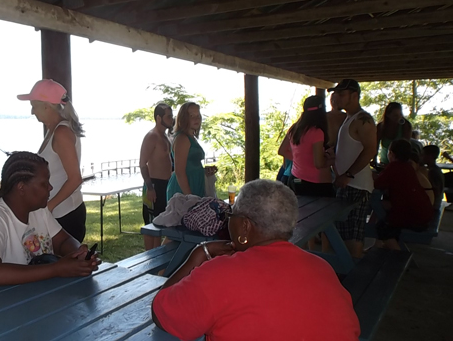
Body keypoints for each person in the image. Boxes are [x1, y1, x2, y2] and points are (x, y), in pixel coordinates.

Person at [151, 179, 360, 341]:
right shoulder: (321, 267)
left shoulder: (222, 273)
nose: (228, 220)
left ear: (245, 226)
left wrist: (197, 256)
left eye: (230, 214)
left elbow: (162, 314)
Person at [0, 152, 99, 289]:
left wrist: (79, 255)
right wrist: (56, 269)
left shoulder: (38, 210)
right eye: (44, 183)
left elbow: (62, 241)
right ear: (21, 187)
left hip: (27, 299)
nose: (50, 187)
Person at [17, 79, 87, 242]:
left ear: (46, 106)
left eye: (34, 106)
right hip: (59, 213)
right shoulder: (55, 130)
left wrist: (48, 207)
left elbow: (75, 178)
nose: (32, 112)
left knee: (62, 266)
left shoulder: (61, 132)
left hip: (65, 215)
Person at [331, 79, 377, 258]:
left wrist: (348, 175)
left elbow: (370, 150)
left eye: (342, 95)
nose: (337, 98)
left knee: (353, 235)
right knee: (343, 233)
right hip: (347, 183)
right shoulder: (349, 118)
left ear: (355, 96)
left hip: (357, 185)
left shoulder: (363, 120)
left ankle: (355, 277)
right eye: (336, 95)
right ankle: (348, 272)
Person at [372, 139, 433, 250]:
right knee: (386, 217)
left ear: (391, 153)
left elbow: (378, 184)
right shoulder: (408, 167)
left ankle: (398, 256)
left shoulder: (394, 167)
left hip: (413, 217)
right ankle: (379, 248)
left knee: (383, 228)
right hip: (424, 213)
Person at [278, 95, 334, 197]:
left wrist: (300, 159)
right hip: (315, 184)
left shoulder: (294, 128)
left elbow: (282, 150)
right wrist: (331, 160)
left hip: (295, 178)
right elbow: (318, 163)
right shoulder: (317, 132)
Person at [139, 103, 174, 250]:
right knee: (151, 227)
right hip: (154, 185)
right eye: (168, 116)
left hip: (167, 186)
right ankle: (148, 258)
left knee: (161, 225)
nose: (172, 119)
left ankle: (157, 259)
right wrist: (150, 187)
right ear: (159, 118)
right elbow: (142, 164)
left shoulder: (165, 137)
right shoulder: (152, 136)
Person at [166, 102, 213, 201]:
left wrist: (203, 171)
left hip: (195, 183)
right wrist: (190, 198)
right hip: (183, 188)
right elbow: (179, 172)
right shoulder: (182, 138)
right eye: (191, 116)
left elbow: (190, 165)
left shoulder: (191, 137)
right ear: (184, 118)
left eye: (198, 115)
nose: (196, 119)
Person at [376, 102, 412, 167]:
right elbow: (375, 145)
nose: (399, 117)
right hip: (384, 162)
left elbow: (407, 147)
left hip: (400, 163)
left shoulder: (406, 125)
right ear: (388, 115)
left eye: (400, 114)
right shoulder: (381, 127)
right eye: (395, 115)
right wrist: (374, 159)